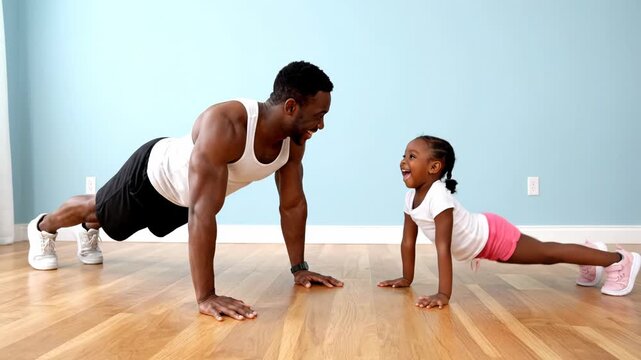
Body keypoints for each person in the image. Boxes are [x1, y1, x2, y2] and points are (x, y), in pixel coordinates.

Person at [27, 60, 344, 321]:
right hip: (151, 176)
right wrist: (206, 296)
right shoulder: (229, 123)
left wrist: (299, 269)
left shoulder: (294, 143)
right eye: (318, 116)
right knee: (98, 210)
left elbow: (291, 205)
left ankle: (90, 227)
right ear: (290, 107)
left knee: (112, 223)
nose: (321, 126)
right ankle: (43, 226)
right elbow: (203, 213)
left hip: (183, 199)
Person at [378, 135, 640, 309]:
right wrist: (406, 278)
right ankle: (591, 255)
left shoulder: (439, 198)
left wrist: (443, 295)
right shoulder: (410, 197)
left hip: (493, 237)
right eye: (404, 155)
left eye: (412, 156)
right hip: (483, 240)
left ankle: (618, 259)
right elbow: (407, 242)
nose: (403, 160)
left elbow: (443, 248)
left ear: (434, 167)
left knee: (548, 254)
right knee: (548, 252)